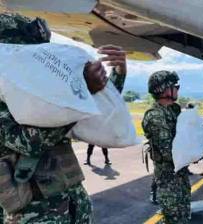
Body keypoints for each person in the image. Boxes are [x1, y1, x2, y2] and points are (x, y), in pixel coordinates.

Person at [0, 13, 127, 223]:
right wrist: (83, 91)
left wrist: (117, 74)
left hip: (73, 204)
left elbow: (93, 114)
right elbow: (30, 143)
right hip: (34, 214)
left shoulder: (40, 95)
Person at [142, 71, 191, 224]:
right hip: (169, 181)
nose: (178, 89)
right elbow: (168, 152)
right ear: (164, 89)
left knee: (183, 217)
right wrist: (193, 152)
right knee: (174, 219)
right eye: (175, 86)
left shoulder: (173, 111)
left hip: (180, 176)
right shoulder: (155, 116)